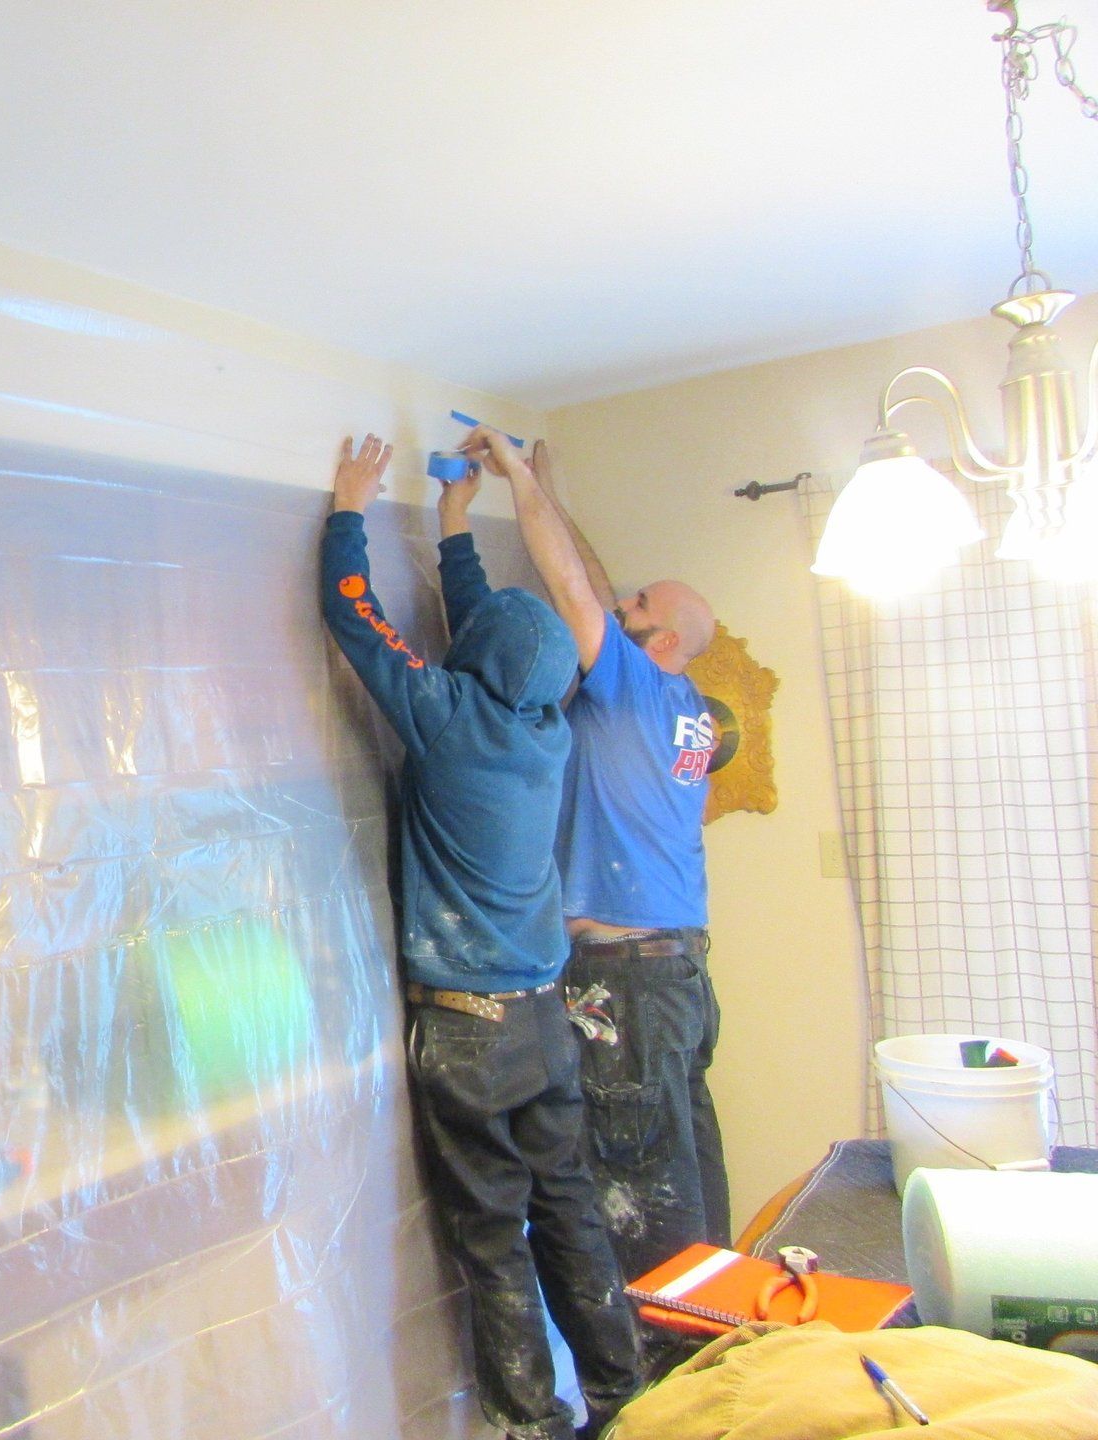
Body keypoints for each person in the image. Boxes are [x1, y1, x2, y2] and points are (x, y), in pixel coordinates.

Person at [321, 435, 640, 1440]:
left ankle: (531, 1425)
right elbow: (492, 634)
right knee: (572, 1212)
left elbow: (356, 619)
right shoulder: (542, 720)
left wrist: (348, 506)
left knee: (495, 1236)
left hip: (470, 1034)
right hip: (545, 1025)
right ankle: (631, 1395)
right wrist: (453, 517)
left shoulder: (453, 716)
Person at [470, 427, 728, 1295]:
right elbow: (593, 588)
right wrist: (550, 491)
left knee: (639, 1194)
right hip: (674, 971)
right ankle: (723, 1344)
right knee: (683, 1163)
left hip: (628, 977)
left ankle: (666, 1402)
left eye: (640, 605)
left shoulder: (636, 685)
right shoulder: (683, 708)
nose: (623, 606)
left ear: (661, 642)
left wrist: (512, 480)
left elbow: (577, 591)